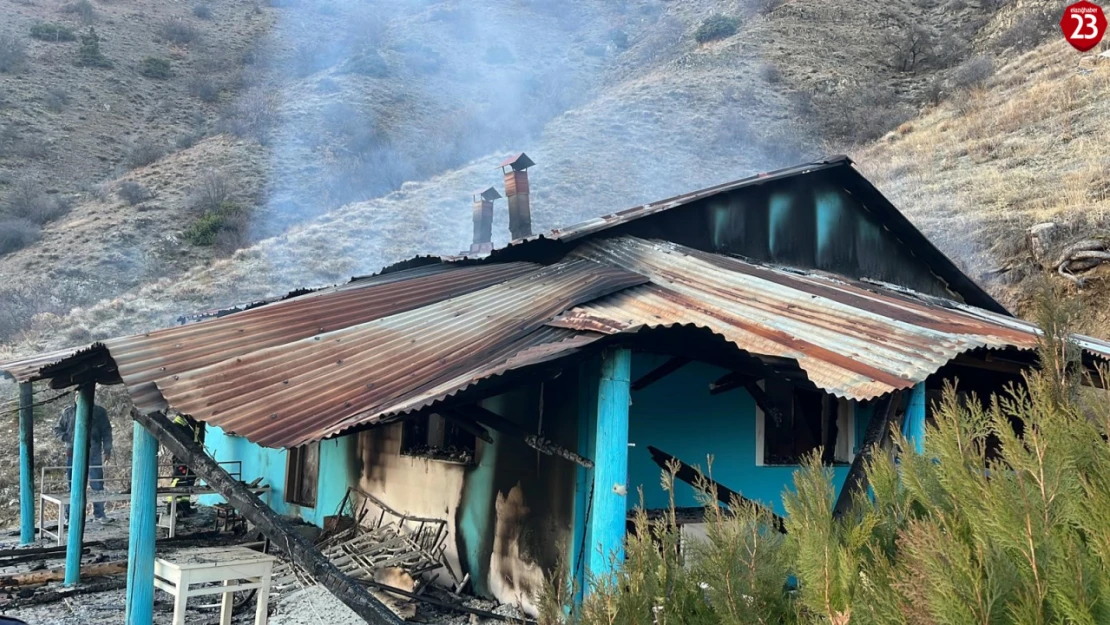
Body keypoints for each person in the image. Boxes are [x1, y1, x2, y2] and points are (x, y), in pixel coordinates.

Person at [54, 389, 114, 524]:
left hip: (94, 452)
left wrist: (107, 449)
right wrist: (67, 438)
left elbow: (106, 431)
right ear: (75, 397)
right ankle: (70, 516)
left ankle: (99, 514)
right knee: (72, 484)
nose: (79, 398)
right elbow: (57, 429)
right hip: (73, 452)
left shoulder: (99, 412)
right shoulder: (68, 412)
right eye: (77, 396)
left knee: (97, 484)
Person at [166, 413, 203, 517]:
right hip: (182, 455)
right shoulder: (181, 420)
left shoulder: (199, 422)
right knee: (179, 478)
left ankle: (185, 506)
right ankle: (172, 506)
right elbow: (174, 436)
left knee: (190, 480)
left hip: (195, 455)